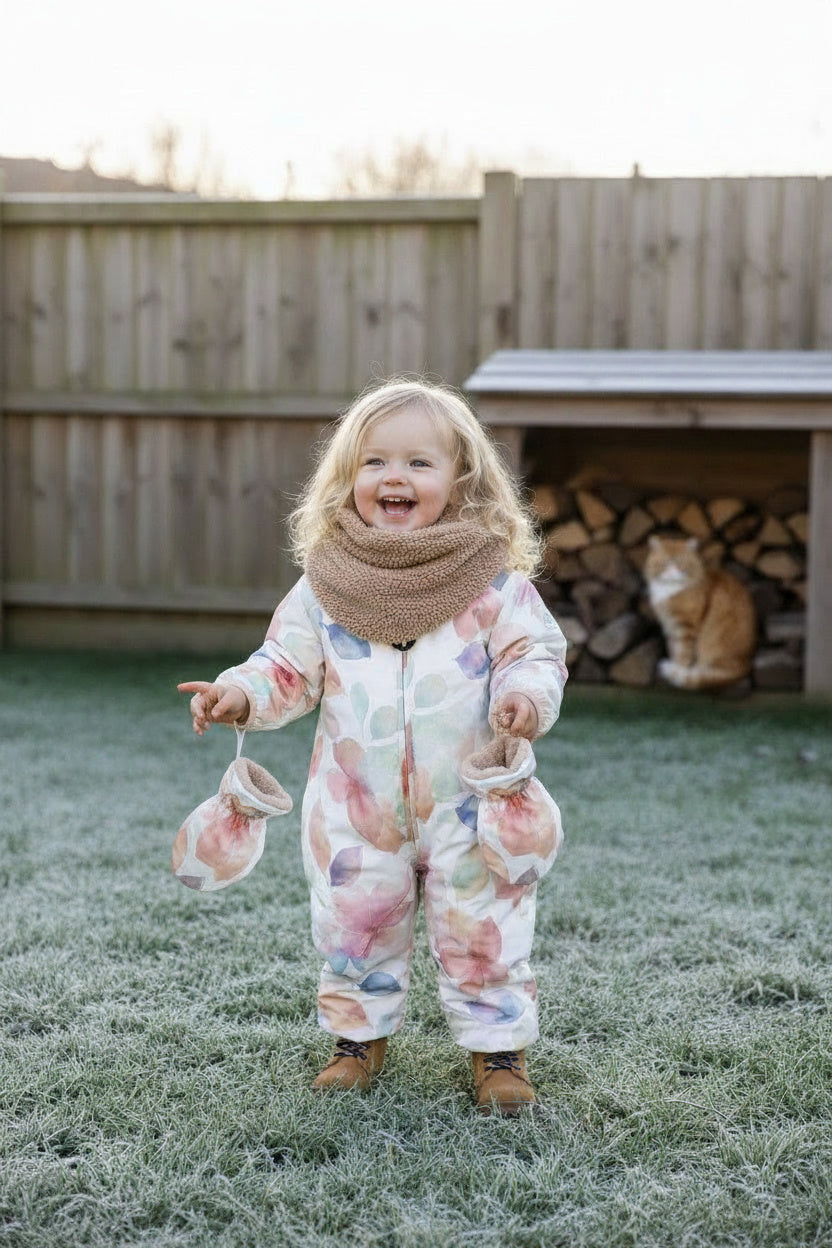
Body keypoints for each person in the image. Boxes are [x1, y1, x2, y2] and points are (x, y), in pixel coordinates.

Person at [178, 378, 567, 1115]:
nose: (395, 477)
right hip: (356, 811)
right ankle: (358, 1040)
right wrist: (241, 692)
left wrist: (526, 694)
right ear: (349, 478)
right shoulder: (325, 586)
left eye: (420, 463)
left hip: (469, 803)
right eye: (375, 463)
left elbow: (535, 653)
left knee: (484, 923)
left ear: (461, 480)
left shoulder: (492, 584)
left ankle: (498, 1052)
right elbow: (286, 667)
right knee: (355, 920)